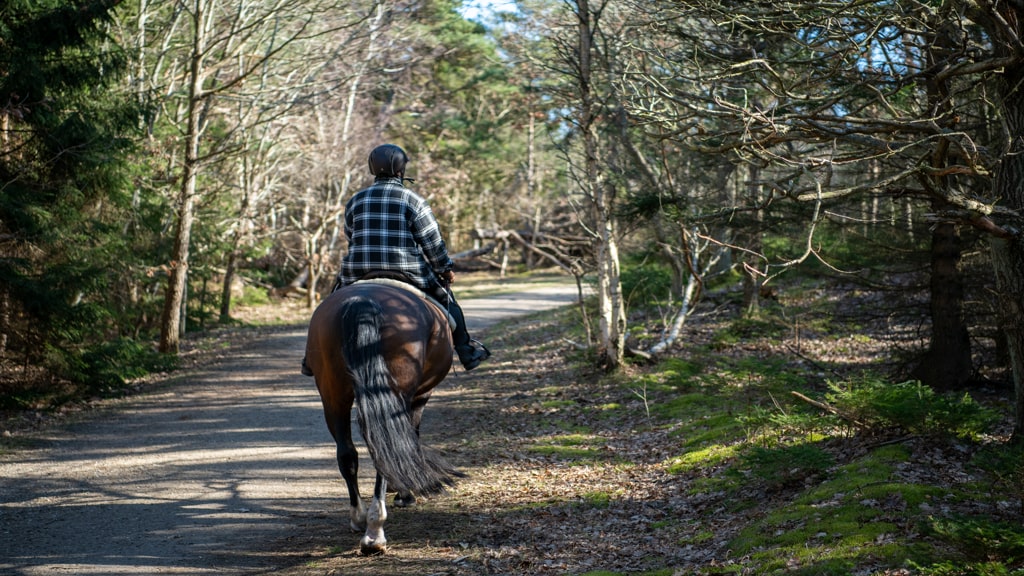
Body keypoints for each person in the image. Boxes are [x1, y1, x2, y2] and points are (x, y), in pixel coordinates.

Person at [307, 143, 490, 373]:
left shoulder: (355, 201)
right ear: (401, 170)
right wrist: (444, 269)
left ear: (372, 169)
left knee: (328, 306)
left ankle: (310, 357)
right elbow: (432, 243)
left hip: (358, 270)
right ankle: (466, 350)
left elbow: (351, 236)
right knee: (449, 304)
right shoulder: (414, 200)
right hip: (408, 272)